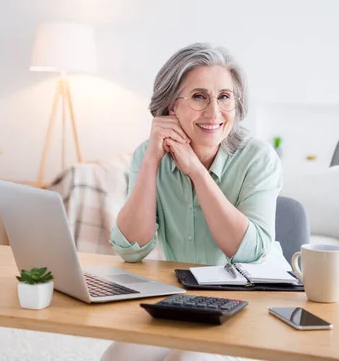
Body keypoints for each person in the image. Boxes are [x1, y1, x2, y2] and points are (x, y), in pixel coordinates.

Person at [101, 43, 283, 361]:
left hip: (247, 303)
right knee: (116, 358)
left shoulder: (259, 158)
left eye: (224, 97)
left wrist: (196, 171)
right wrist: (151, 161)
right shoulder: (148, 154)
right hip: (182, 302)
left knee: (187, 359)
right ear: (171, 106)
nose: (214, 113)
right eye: (199, 97)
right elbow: (131, 248)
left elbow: (250, 253)